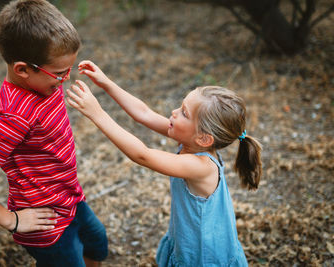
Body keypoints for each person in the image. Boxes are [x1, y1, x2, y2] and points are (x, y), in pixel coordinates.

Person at [0, 1, 107, 266]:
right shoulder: (14, 116)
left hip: (71, 198)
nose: (66, 80)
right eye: (60, 74)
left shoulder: (42, 84)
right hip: (47, 225)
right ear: (23, 70)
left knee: (97, 246)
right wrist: (11, 220)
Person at [66, 60, 262, 266]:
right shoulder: (193, 141)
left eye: (184, 113)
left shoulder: (201, 166)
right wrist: (106, 83)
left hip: (203, 257)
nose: (174, 112)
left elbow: (142, 155)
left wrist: (98, 114)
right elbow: (144, 113)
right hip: (191, 242)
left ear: (204, 138)